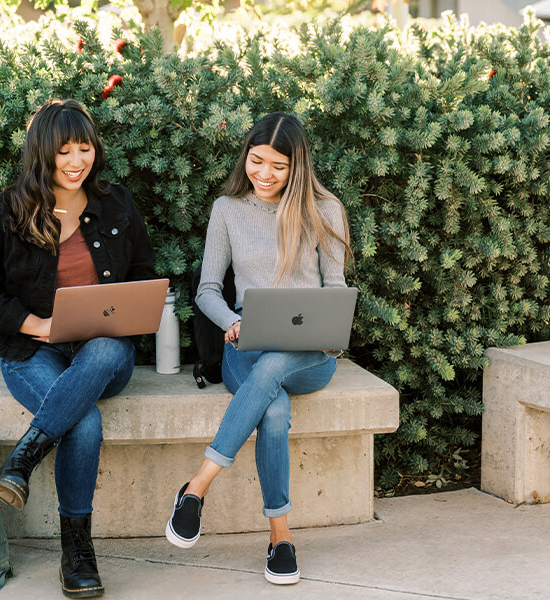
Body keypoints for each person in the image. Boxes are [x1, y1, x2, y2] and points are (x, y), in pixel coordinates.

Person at [0, 99, 156, 599]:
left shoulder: (117, 204)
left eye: (84, 148)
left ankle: (22, 460)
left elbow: (141, 275)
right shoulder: (8, 211)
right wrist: (37, 325)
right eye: (63, 150)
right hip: (32, 351)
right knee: (84, 420)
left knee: (108, 351)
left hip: (102, 353)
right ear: (41, 154)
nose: (75, 161)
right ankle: (77, 549)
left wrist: (123, 314)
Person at [165, 112, 351, 585]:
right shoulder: (227, 210)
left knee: (274, 367)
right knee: (272, 406)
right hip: (243, 350)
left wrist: (329, 330)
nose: (264, 174)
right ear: (246, 157)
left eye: (278, 166)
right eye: (256, 161)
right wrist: (231, 322)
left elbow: (336, 287)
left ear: (298, 167)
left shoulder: (325, 212)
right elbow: (207, 289)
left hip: (309, 359)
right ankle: (280, 538)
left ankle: (197, 486)